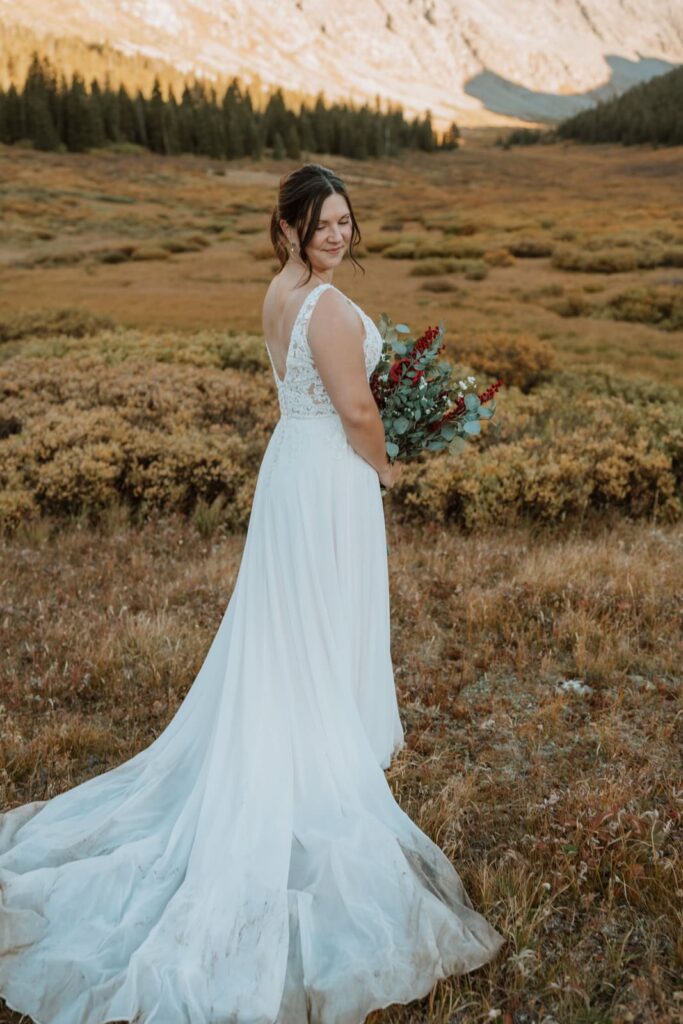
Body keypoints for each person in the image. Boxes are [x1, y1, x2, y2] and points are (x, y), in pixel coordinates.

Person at [0, 163, 505, 1024]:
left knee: (287, 625)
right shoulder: (335, 310)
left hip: (290, 472)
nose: (339, 236)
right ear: (290, 231)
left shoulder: (280, 295)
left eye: (346, 221)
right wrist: (386, 465)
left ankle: (302, 733)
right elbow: (353, 408)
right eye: (323, 226)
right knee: (317, 619)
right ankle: (313, 761)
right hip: (328, 477)